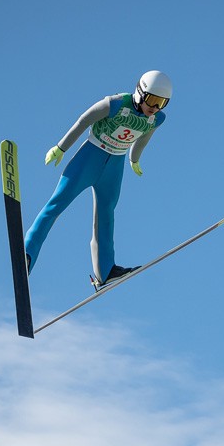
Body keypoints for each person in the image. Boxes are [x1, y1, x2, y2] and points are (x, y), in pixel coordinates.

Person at [24, 70, 172, 285]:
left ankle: (105, 270)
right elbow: (83, 121)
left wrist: (135, 160)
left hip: (115, 165)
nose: (155, 107)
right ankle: (27, 252)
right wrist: (61, 147)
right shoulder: (114, 104)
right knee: (57, 204)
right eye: (152, 99)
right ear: (140, 92)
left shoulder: (156, 119)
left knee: (106, 215)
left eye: (161, 103)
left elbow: (143, 139)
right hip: (90, 157)